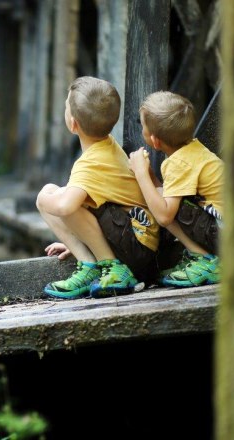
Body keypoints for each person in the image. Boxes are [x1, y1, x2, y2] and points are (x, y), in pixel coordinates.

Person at [37, 76, 160, 299]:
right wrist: (77, 239)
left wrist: (42, 199)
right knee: (68, 194)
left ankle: (107, 267)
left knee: (56, 196)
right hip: (140, 239)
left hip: (137, 248)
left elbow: (65, 207)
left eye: (66, 106)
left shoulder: (90, 164)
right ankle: (92, 259)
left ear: (73, 123)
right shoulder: (108, 145)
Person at [128, 91, 223, 287]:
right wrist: (152, 177)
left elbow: (164, 216)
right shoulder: (193, 149)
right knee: (163, 197)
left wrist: (141, 174)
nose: (142, 130)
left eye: (143, 126)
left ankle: (205, 260)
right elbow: (168, 193)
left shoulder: (178, 163)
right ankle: (204, 257)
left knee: (164, 207)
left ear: (154, 141)